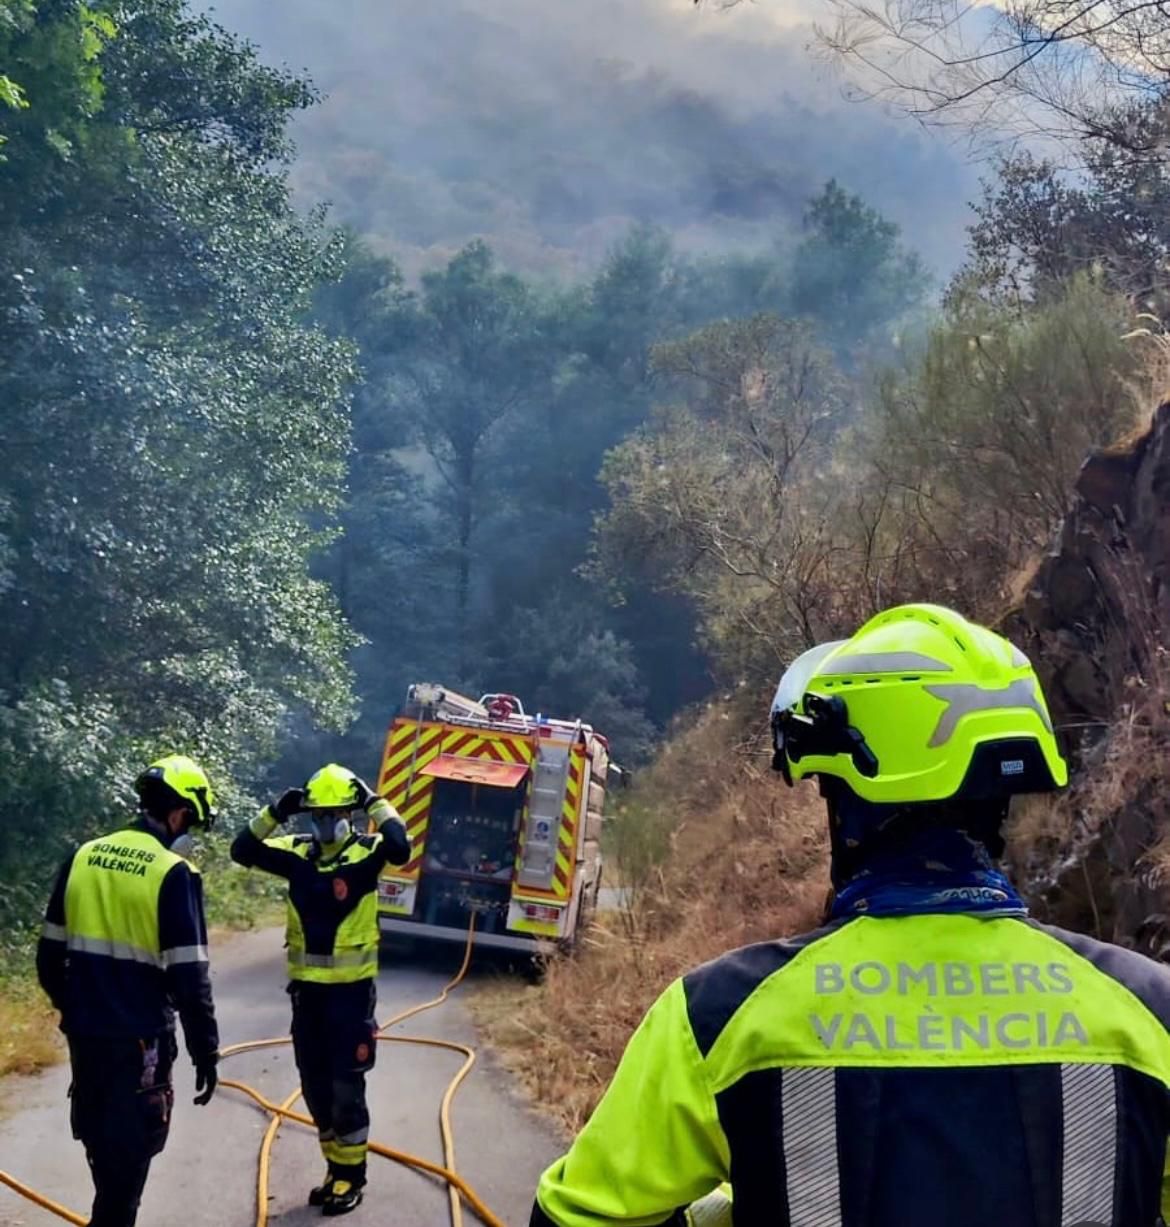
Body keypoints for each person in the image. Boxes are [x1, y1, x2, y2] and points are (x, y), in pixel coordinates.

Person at [530, 603, 1170, 1227]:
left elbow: (577, 1215)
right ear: (999, 796)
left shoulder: (719, 1018)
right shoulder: (1149, 1010)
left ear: (847, 800)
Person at [37, 754, 220, 1227]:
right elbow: (189, 979)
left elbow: (48, 958)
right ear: (179, 813)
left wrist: (76, 1008)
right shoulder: (173, 873)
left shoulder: (84, 856)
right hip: (141, 1042)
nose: (188, 834)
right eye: (191, 823)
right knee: (130, 1162)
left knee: (101, 1147)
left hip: (87, 1037)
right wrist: (206, 1051)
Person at [230, 762, 410, 1217]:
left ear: (348, 815)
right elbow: (241, 849)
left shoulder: (367, 854)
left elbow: (401, 847)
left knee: (346, 1087)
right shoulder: (297, 854)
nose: (326, 823)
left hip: (351, 997)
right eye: (318, 815)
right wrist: (275, 810)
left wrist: (373, 801)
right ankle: (335, 1167)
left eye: (335, 815)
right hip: (307, 998)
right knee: (314, 1089)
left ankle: (352, 1176)